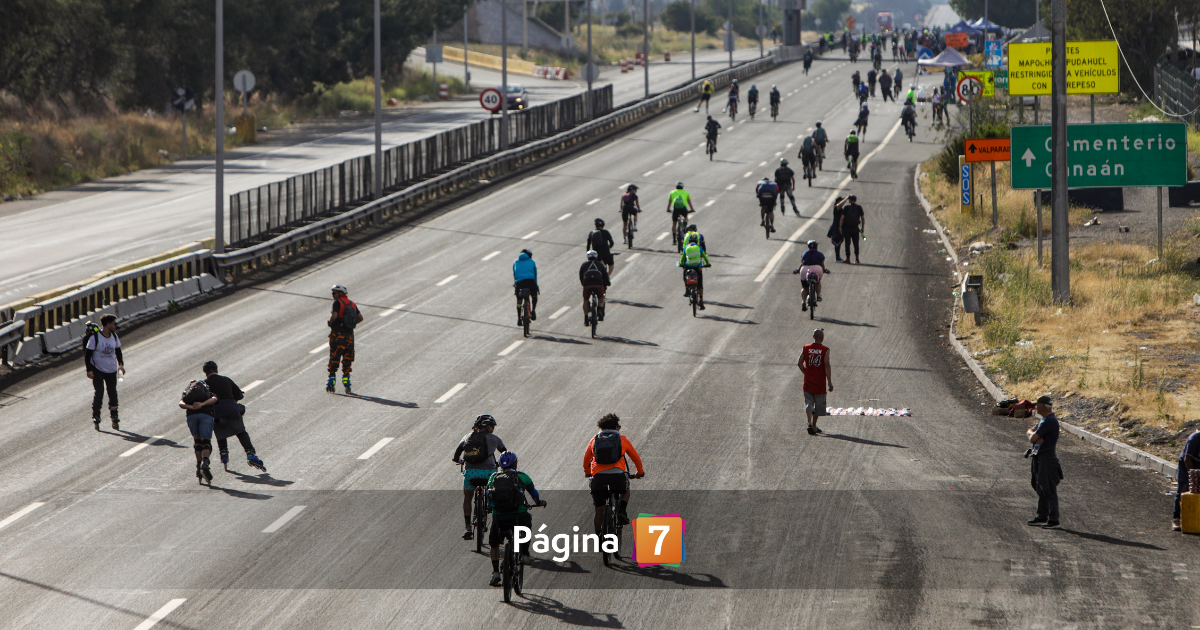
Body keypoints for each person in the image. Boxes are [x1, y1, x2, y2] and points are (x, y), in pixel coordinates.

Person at [486, 451, 545, 587]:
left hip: (499, 517)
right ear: (515, 463)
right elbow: (533, 492)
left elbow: (488, 494)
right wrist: (539, 501)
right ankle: (524, 554)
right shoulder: (522, 477)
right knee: (527, 523)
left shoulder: (493, 477)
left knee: (494, 543)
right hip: (518, 515)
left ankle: (495, 572)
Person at [583, 413, 645, 533]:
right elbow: (635, 457)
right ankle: (622, 511)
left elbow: (586, 459)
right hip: (617, 477)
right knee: (625, 490)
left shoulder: (594, 439)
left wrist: (587, 472)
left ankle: (598, 537)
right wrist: (639, 472)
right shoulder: (622, 439)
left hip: (598, 478)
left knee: (599, 510)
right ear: (616, 427)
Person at [202, 361, 266, 473]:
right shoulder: (226, 380)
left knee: (220, 431)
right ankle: (250, 453)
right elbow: (239, 395)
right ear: (216, 369)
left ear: (205, 372)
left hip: (216, 411)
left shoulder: (204, 384)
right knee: (241, 432)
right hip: (232, 409)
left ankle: (224, 454)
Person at [453, 414, 507, 540]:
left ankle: (468, 527)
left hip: (470, 473)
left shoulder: (467, 437)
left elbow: (456, 456)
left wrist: (462, 462)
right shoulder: (494, 439)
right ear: (487, 426)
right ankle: (491, 509)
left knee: (467, 497)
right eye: (492, 426)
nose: (493, 428)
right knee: (494, 493)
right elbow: (505, 454)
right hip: (488, 474)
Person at [1026, 395, 1063, 529]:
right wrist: (1033, 434)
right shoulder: (1045, 420)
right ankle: (1042, 516)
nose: (1035, 407)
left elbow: (1032, 437)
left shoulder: (1049, 421)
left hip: (1047, 458)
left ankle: (1053, 519)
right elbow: (1032, 435)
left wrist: (1032, 434)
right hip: (1040, 458)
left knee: (1048, 489)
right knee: (1041, 487)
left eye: (1037, 405)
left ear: (1042, 406)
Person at [84, 314, 124, 431]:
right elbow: (88, 355)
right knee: (99, 392)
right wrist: (89, 370)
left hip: (111, 370)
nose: (116, 326)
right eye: (114, 324)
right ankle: (96, 416)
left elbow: (118, 352)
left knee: (112, 392)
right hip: (98, 369)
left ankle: (114, 415)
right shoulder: (95, 338)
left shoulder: (114, 337)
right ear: (108, 325)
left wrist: (121, 365)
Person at [179, 378, 218, 482]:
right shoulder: (206, 391)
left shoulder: (187, 392)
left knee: (197, 441)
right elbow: (214, 399)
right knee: (206, 441)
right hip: (206, 415)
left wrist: (192, 407)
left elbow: (181, 404)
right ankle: (205, 463)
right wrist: (202, 404)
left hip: (192, 416)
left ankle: (198, 465)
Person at [326, 285, 362, 394]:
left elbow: (335, 316)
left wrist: (330, 322)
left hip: (338, 335)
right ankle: (347, 382)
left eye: (334, 293)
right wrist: (349, 324)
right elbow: (360, 318)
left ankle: (331, 381)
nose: (333, 295)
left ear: (340, 293)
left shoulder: (338, 303)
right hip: (349, 336)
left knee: (334, 357)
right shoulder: (352, 304)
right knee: (347, 359)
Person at [797, 329, 833, 435]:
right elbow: (826, 365)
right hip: (819, 382)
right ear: (823, 338)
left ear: (813, 337)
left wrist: (806, 373)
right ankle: (814, 425)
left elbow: (799, 363)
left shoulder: (806, 348)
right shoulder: (825, 350)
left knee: (809, 402)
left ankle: (809, 423)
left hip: (808, 380)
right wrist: (829, 382)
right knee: (817, 405)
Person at [1173, 428, 1200, 530]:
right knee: (1183, 489)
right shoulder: (1194, 438)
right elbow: (1187, 459)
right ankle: (1176, 518)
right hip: (1186, 465)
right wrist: (1193, 476)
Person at [678, 231, 711, 308]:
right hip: (698, 267)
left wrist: (681, 264)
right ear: (697, 241)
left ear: (689, 241)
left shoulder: (686, 247)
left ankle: (687, 288)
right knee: (700, 284)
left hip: (688, 266)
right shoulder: (699, 248)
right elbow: (705, 257)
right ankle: (701, 301)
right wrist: (708, 264)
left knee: (684, 274)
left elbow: (682, 258)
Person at [794, 240, 829, 309]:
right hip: (817, 269)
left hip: (805, 269)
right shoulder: (820, 254)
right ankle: (818, 295)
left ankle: (803, 301)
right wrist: (825, 270)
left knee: (804, 287)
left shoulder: (804, 253)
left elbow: (802, 263)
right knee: (818, 281)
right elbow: (822, 263)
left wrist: (797, 270)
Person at [580, 250, 611, 325]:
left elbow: (581, 276)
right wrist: (607, 283)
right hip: (598, 284)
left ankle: (586, 318)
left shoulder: (584, 265)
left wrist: (583, 284)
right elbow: (605, 277)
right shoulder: (600, 265)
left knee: (586, 299)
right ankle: (600, 310)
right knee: (600, 297)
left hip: (587, 285)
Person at [512, 248, 539, 324]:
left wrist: (516, 283)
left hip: (519, 283)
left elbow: (515, 274)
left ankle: (519, 318)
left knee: (519, 301)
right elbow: (535, 275)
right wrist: (536, 285)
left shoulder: (515, 262)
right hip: (531, 281)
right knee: (534, 296)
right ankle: (533, 310)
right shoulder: (532, 262)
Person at [839, 194, 865, 263]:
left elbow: (842, 218)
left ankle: (848, 258)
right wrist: (862, 228)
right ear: (856, 200)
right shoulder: (859, 207)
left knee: (847, 244)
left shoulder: (846, 207)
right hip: (855, 228)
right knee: (856, 244)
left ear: (849, 200)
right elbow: (862, 218)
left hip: (847, 229)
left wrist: (840, 227)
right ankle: (857, 258)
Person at [827, 196, 847, 261]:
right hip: (836, 228)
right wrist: (846, 198)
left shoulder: (842, 209)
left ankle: (838, 256)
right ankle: (837, 257)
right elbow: (840, 204)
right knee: (837, 242)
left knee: (839, 242)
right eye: (840, 201)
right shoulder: (836, 208)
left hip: (841, 227)